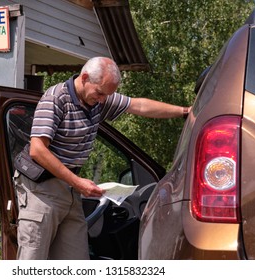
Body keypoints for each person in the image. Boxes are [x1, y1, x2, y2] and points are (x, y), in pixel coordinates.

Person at [13, 56, 191, 260]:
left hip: (70, 190)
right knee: (32, 259)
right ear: (85, 77)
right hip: (41, 190)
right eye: (100, 93)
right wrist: (77, 182)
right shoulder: (55, 97)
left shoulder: (98, 98)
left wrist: (185, 112)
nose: (103, 100)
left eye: (108, 95)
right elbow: (37, 149)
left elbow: (139, 106)